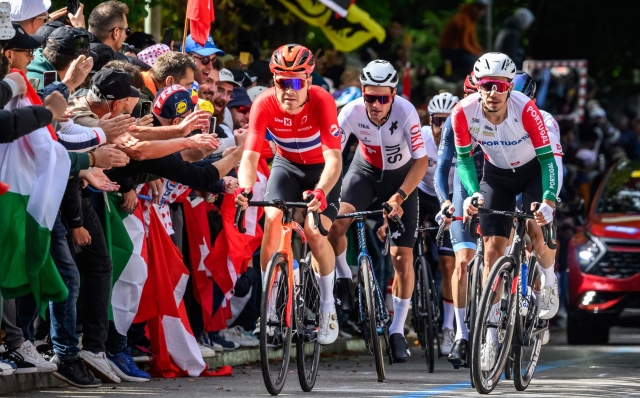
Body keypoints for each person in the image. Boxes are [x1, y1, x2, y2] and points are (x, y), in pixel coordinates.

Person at [453, 53, 560, 371]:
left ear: (510, 86)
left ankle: (550, 280)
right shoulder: (464, 113)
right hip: (496, 177)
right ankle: (489, 337)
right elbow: (463, 160)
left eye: (500, 86)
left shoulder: (526, 110)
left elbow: (548, 161)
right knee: (491, 253)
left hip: (531, 172)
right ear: (478, 85)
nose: (493, 93)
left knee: (536, 232)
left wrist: (549, 200)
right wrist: (472, 193)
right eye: (487, 85)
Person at [235, 44, 342, 346]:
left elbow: (334, 159)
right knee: (271, 218)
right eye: (281, 82)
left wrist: (321, 192)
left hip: (322, 169)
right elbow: (250, 157)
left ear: (309, 81)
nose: (288, 90)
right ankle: (268, 311)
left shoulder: (322, 101)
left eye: (296, 82)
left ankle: (327, 307)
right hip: (287, 165)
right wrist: (245, 188)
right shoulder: (264, 104)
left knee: (314, 230)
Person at [328, 60, 429, 361]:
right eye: (369, 97)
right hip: (365, 173)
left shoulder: (406, 112)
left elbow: (421, 162)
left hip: (401, 180)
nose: (375, 104)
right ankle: (345, 277)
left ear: (393, 95)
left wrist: (399, 196)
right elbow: (333, 154)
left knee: (402, 257)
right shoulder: (350, 111)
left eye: (382, 98)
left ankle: (397, 329)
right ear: (362, 92)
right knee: (335, 224)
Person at [433, 74, 486, 367]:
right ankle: (462, 335)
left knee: (494, 255)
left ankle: (497, 318)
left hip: (495, 189)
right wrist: (444, 202)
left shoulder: (502, 117)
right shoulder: (456, 120)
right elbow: (442, 168)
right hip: (462, 191)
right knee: (462, 261)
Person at [417, 92, 458, 356]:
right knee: (403, 250)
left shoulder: (462, 139)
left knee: (447, 263)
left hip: (451, 196)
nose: (440, 127)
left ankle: (447, 326)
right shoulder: (421, 136)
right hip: (422, 193)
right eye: (436, 121)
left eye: (447, 121)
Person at [27, 26, 95, 90]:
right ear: (74, 63)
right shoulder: (44, 88)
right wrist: (69, 85)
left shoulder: (31, 65)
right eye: (83, 61)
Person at [439, 0, 487, 80]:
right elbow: (464, 44)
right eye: (478, 8)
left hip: (458, 50)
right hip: (449, 50)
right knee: (472, 61)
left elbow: (472, 41)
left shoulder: (472, 20)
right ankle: (462, 82)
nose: (480, 12)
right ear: (473, 6)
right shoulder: (463, 19)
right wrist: (477, 54)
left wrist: (481, 52)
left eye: (483, 9)